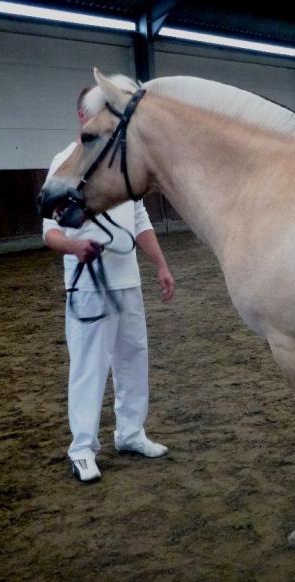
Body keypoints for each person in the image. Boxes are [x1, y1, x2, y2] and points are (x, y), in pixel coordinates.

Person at [43, 87, 175, 483]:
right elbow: (49, 232)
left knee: (134, 359)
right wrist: (74, 245)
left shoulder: (120, 166)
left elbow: (140, 223)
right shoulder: (65, 162)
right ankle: (82, 448)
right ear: (82, 117)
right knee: (89, 367)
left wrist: (161, 265)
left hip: (127, 282)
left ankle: (131, 432)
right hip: (89, 285)